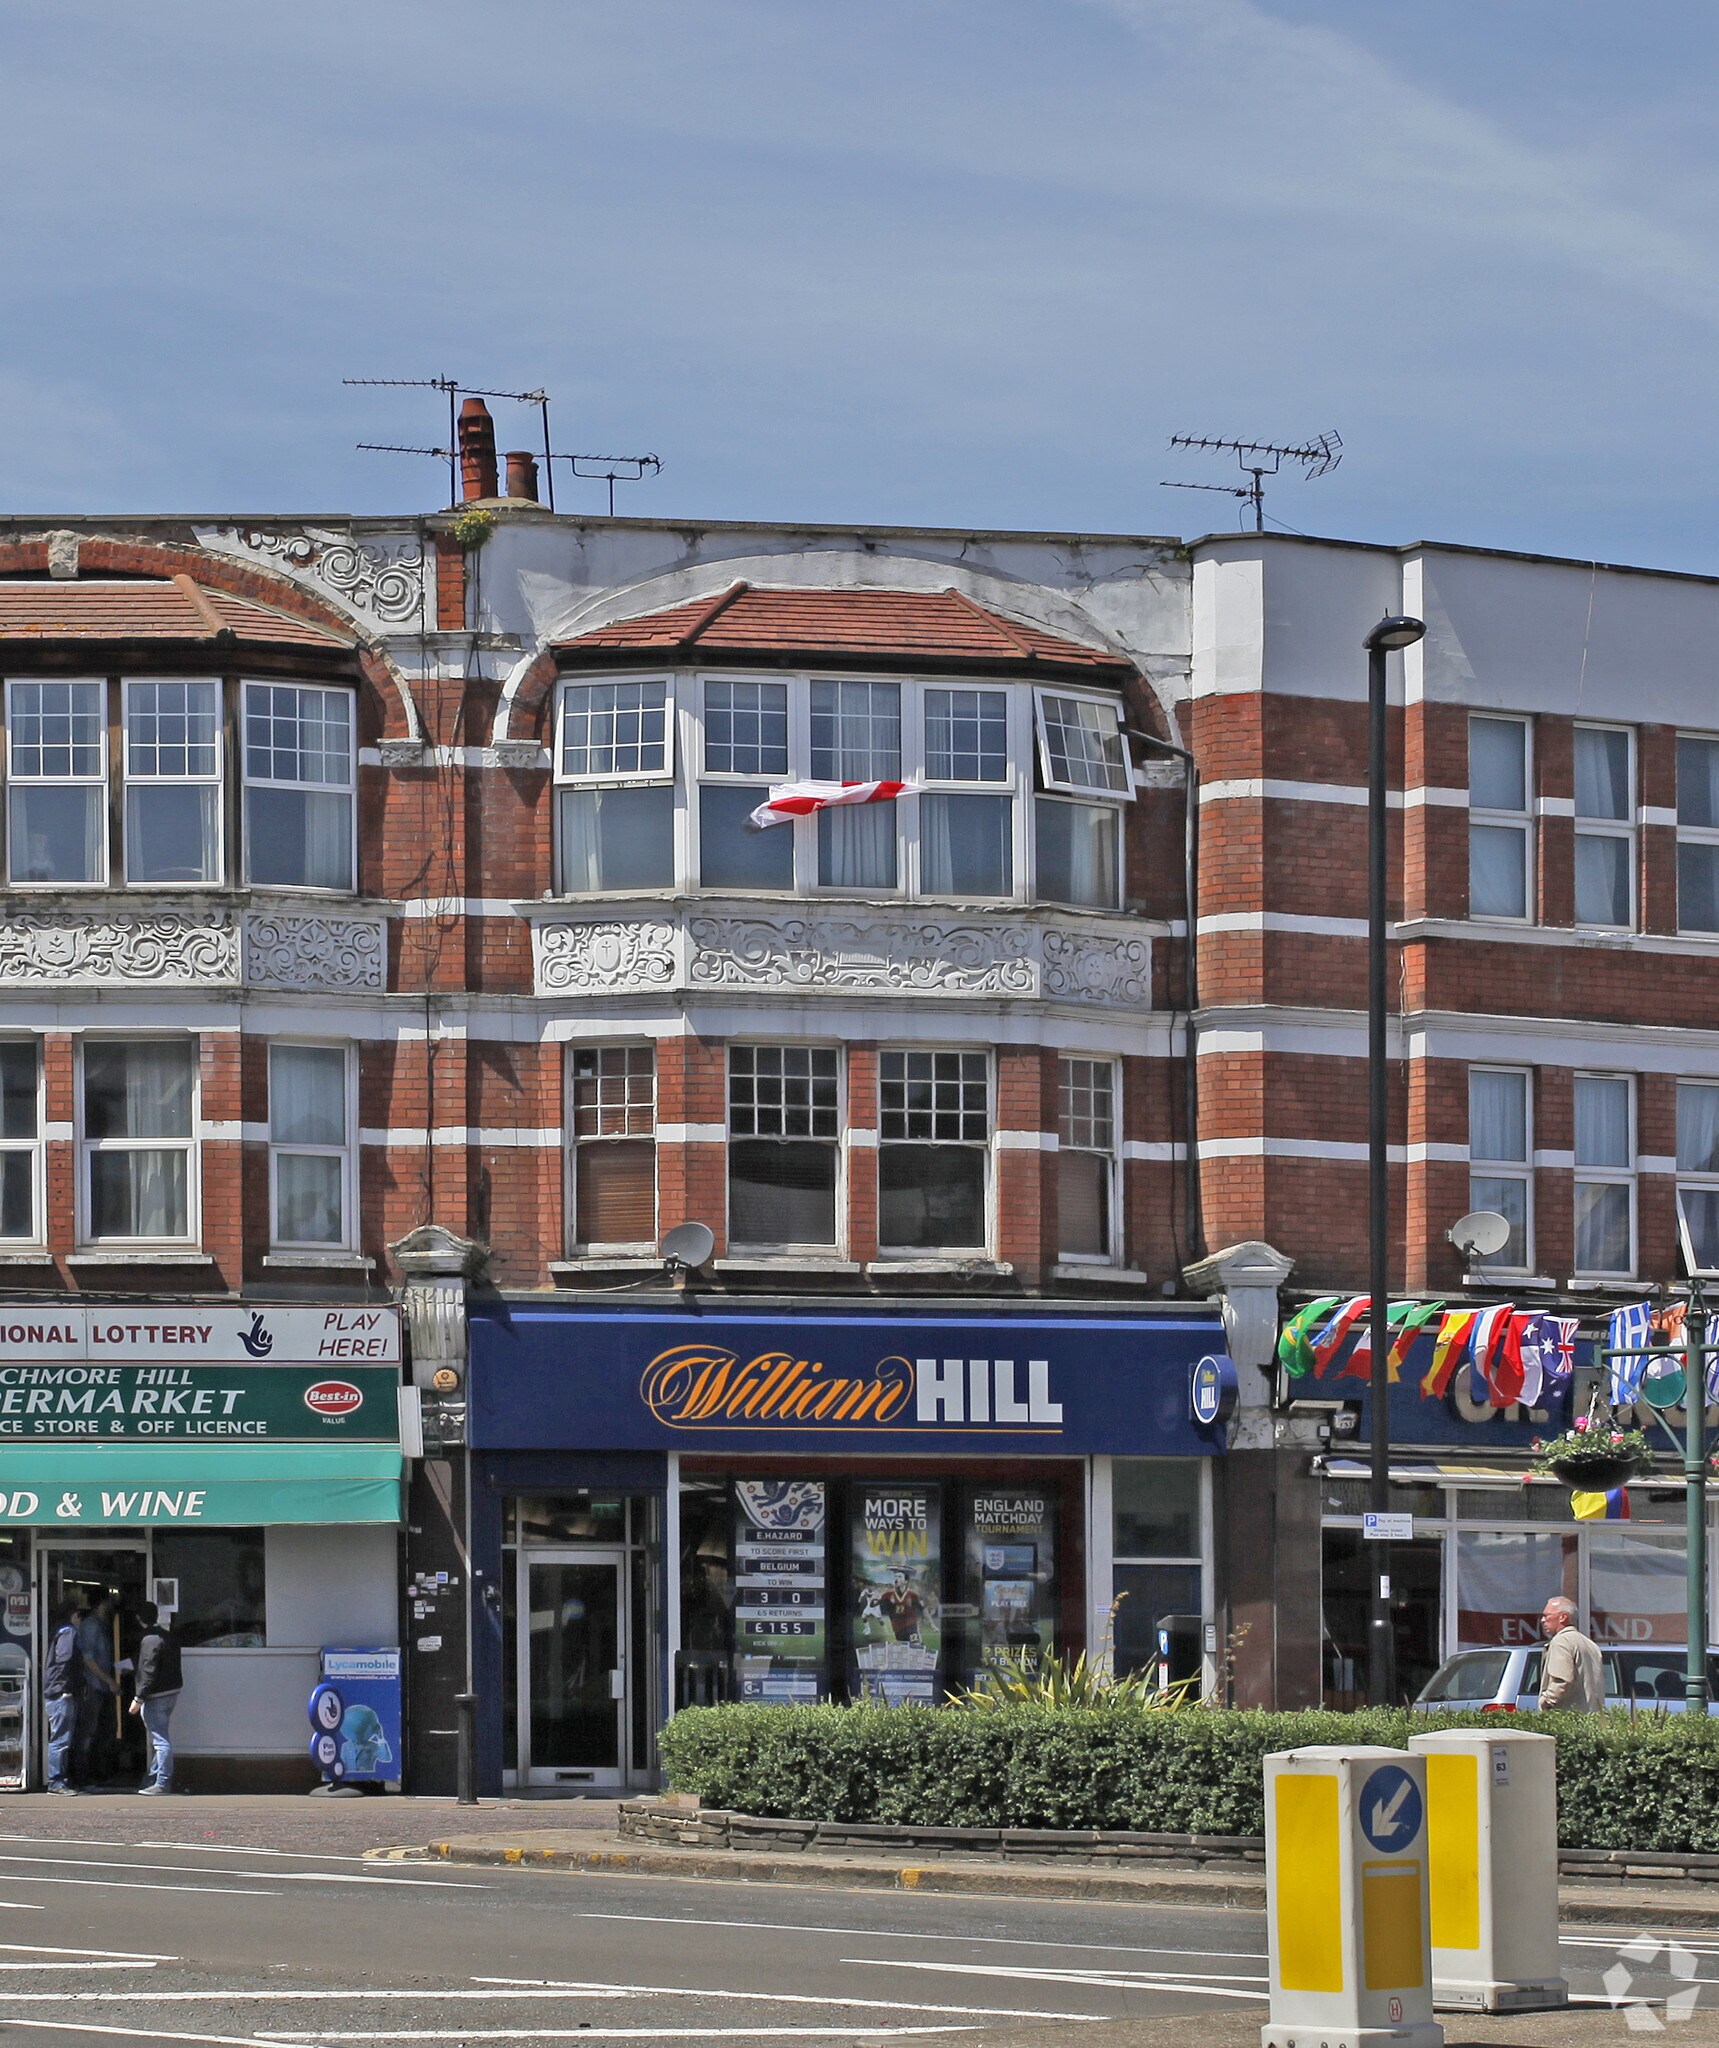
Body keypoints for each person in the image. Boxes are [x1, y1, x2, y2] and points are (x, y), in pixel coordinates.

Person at [129, 1602, 182, 1795]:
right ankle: (152, 1778)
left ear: (138, 1618)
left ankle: (162, 1783)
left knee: (160, 1741)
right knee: (160, 1737)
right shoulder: (168, 1636)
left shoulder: (149, 1640)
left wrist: (138, 1698)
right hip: (171, 1693)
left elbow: (148, 1670)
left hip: (155, 1696)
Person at [73, 1593, 119, 1786]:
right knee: (89, 1732)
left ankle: (96, 1773)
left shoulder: (101, 1624)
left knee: (101, 1730)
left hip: (100, 1686)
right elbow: (88, 1660)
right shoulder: (92, 1626)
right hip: (93, 1686)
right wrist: (110, 1680)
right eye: (108, 1601)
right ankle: (83, 1776)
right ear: (102, 1603)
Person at [1539, 1594, 1605, 1712]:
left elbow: (1562, 1680)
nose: (1542, 1620)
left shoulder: (1561, 1641)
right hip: (1591, 1717)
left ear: (1563, 1617)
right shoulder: (1591, 1644)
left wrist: (1546, 1702)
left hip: (1567, 1717)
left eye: (1546, 1616)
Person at [42, 1602, 83, 1795]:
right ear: (74, 1615)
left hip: (55, 1691)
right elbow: (64, 1659)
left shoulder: (58, 1631)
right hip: (61, 1693)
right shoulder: (68, 1631)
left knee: (60, 1738)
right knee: (60, 1739)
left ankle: (60, 1780)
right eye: (79, 1616)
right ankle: (56, 1781)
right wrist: (66, 1688)